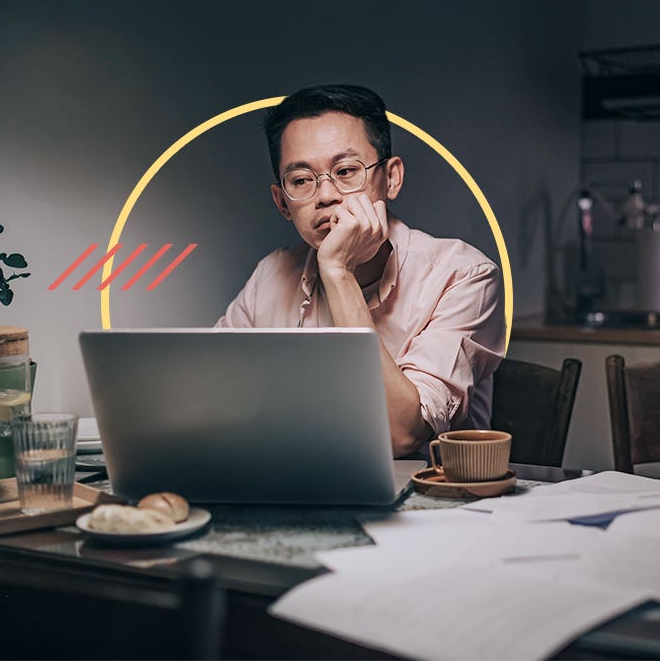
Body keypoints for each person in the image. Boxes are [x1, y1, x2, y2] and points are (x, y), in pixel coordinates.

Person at [216, 84, 506, 458]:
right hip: (300, 488)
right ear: (282, 202)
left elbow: (399, 436)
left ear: (391, 178)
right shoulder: (270, 276)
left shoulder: (463, 275)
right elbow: (212, 399)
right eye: (301, 180)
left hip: (434, 500)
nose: (325, 195)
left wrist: (338, 272)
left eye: (346, 171)